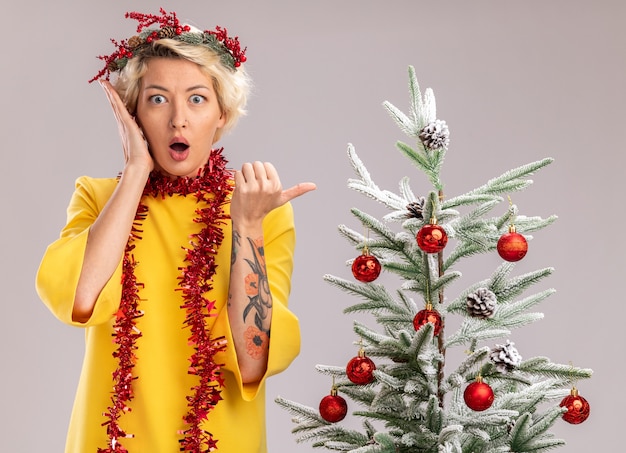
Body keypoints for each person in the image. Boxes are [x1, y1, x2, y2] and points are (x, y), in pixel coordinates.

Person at [36, 9, 315, 453]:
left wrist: (246, 225)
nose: (178, 120)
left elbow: (251, 360)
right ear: (134, 113)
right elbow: (79, 298)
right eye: (158, 99)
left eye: (198, 99)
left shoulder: (260, 211)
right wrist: (135, 170)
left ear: (222, 113)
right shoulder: (97, 197)